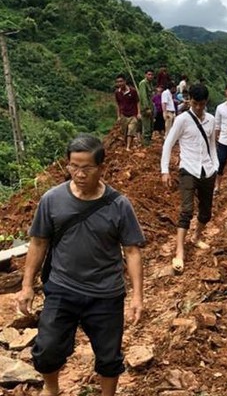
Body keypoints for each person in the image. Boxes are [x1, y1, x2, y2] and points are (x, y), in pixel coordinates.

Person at [14, 134, 145, 396]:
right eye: (74, 166)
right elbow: (38, 243)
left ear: (101, 167)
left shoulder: (119, 205)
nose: (79, 173)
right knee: (47, 349)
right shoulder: (52, 199)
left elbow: (131, 251)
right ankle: (52, 389)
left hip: (106, 293)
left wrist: (137, 296)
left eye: (87, 168)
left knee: (109, 357)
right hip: (62, 288)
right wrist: (27, 285)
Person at [160, 83, 218, 273]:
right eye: (195, 103)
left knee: (206, 212)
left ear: (206, 102)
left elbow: (212, 145)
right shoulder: (182, 120)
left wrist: (215, 166)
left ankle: (197, 237)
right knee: (186, 210)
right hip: (188, 168)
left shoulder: (210, 120)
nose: (199, 107)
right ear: (189, 101)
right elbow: (168, 144)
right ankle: (180, 251)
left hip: (207, 170)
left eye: (201, 104)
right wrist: (165, 170)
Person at [114, 74, 140, 151]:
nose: (119, 83)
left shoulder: (133, 91)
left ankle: (128, 147)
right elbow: (117, 104)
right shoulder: (117, 93)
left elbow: (137, 102)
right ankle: (128, 145)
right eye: (118, 82)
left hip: (133, 114)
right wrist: (118, 116)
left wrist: (138, 113)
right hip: (123, 114)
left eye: (121, 81)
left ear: (125, 81)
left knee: (131, 130)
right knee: (124, 132)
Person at [138, 69, 155, 146]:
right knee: (147, 127)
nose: (150, 76)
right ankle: (146, 144)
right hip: (146, 109)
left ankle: (148, 142)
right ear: (145, 75)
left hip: (151, 107)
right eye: (149, 74)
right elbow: (143, 97)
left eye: (151, 75)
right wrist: (146, 108)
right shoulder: (143, 83)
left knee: (151, 127)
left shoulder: (150, 84)